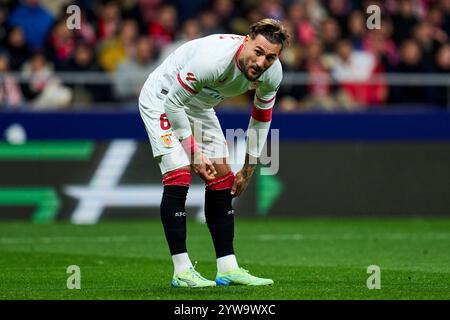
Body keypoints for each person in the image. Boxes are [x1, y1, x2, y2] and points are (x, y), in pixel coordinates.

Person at [138, 18, 288, 288]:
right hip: (164, 98)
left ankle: (227, 268)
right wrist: (194, 153)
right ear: (247, 40)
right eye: (258, 51)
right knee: (179, 173)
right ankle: (182, 271)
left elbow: (261, 118)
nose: (261, 62)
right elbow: (173, 104)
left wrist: (248, 167)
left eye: (270, 57)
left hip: (200, 105)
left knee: (222, 178)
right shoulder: (213, 60)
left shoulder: (272, 72)